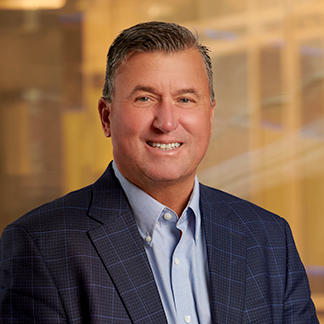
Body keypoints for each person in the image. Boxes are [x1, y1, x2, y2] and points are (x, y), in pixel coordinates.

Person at [0, 21, 319, 324]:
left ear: (210, 115)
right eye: (145, 98)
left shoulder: (269, 237)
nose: (166, 122)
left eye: (185, 99)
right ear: (106, 117)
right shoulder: (40, 246)